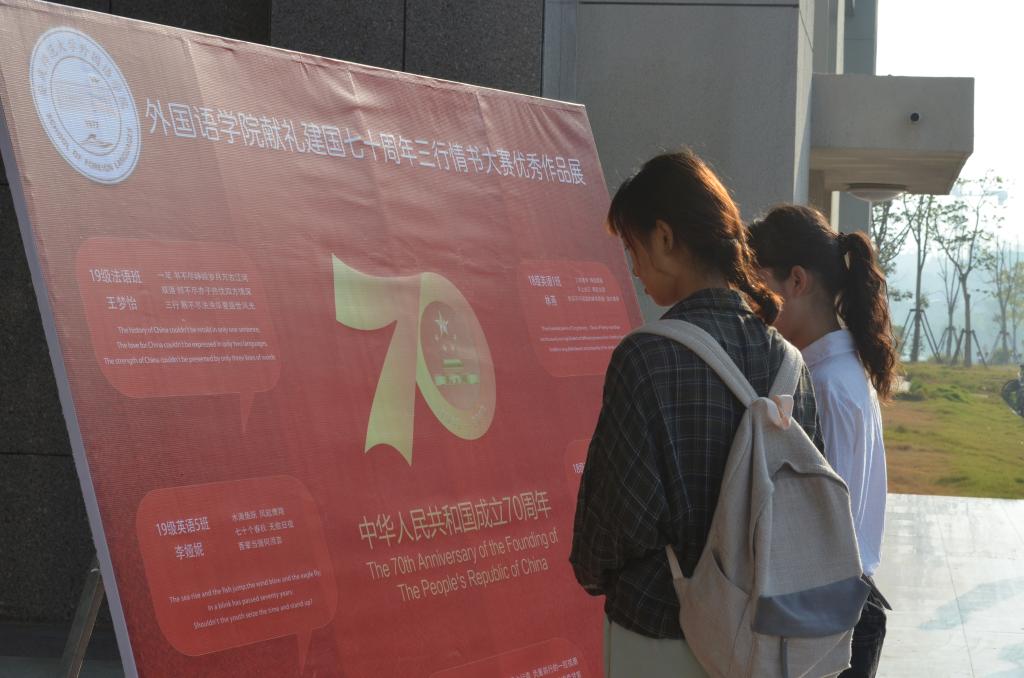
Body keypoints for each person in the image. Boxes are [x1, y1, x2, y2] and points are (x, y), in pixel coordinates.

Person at [569, 150, 822, 677]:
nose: (633, 268)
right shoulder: (790, 363)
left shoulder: (646, 357)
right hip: (766, 641)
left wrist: (593, 575)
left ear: (664, 238)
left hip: (662, 635)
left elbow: (610, 531)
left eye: (632, 247)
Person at [748, 204, 897, 678]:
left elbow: (826, 527)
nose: (752, 305)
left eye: (757, 287)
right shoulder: (837, 369)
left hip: (828, 621)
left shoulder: (825, 384)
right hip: (840, 608)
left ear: (796, 281)